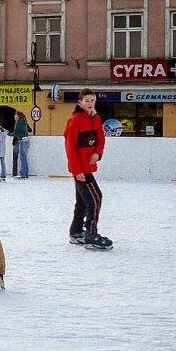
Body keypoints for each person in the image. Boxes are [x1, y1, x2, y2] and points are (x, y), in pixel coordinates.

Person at [64, 88, 113, 250]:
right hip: (80, 169)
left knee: (83, 202)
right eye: (87, 100)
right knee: (95, 198)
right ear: (80, 102)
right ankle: (91, 234)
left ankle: (76, 232)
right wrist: (77, 170)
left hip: (88, 167)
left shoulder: (96, 118)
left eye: (92, 100)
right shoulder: (75, 120)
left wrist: (98, 154)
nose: (90, 103)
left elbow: (101, 139)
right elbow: (70, 147)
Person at [10, 111, 31, 179]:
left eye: (15, 115)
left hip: (22, 141)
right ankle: (25, 173)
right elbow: (29, 130)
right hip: (27, 140)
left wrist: (8, 133)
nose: (14, 117)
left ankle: (22, 174)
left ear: (18, 116)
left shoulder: (18, 122)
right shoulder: (24, 121)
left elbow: (15, 133)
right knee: (24, 158)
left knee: (22, 158)